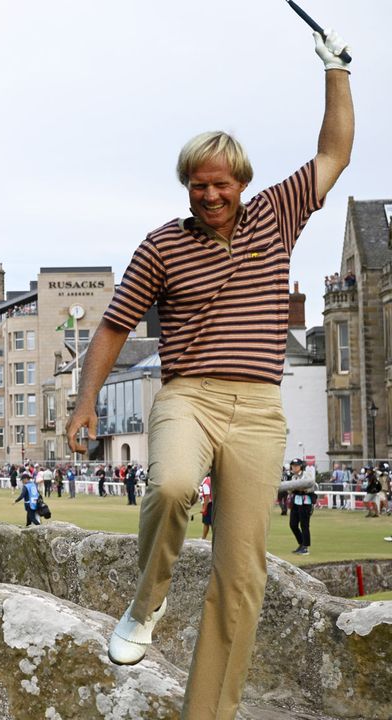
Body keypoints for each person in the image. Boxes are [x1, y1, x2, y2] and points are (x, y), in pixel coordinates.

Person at [65, 29, 352, 719]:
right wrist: (84, 405)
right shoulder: (162, 244)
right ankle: (147, 600)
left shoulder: (277, 215)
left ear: (242, 183)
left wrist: (337, 71)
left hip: (258, 404)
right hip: (187, 395)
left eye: (220, 184)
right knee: (166, 486)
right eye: (198, 186)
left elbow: (334, 152)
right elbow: (110, 327)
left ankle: (208, 713)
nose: (209, 196)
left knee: (242, 573)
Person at [281, 458, 318, 555]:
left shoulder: (307, 475)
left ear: (301, 466)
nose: (294, 467)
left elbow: (312, 486)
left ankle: (305, 547)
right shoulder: (293, 478)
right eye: (293, 465)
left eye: (296, 465)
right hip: (296, 502)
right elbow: (289, 490)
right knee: (293, 524)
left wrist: (301, 489)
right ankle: (301, 543)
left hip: (305, 502)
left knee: (304, 525)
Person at [199, 474, 214, 541]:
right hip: (211, 503)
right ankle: (203, 538)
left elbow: (207, 496)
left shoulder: (205, 483)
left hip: (209, 504)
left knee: (208, 522)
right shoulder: (209, 480)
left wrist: (204, 508)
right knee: (207, 523)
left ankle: (203, 538)